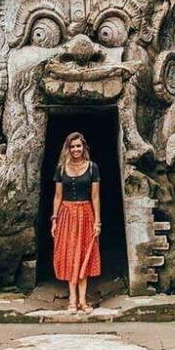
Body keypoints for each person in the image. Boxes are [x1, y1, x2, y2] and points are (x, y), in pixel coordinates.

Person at [51, 132, 101, 313]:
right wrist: (54, 219)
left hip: (86, 213)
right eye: (72, 147)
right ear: (68, 148)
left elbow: (95, 197)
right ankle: (72, 299)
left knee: (83, 255)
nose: (75, 150)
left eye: (78, 146)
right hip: (66, 214)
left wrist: (98, 221)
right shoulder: (61, 168)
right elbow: (57, 196)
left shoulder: (92, 167)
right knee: (70, 254)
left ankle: (83, 300)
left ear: (84, 147)